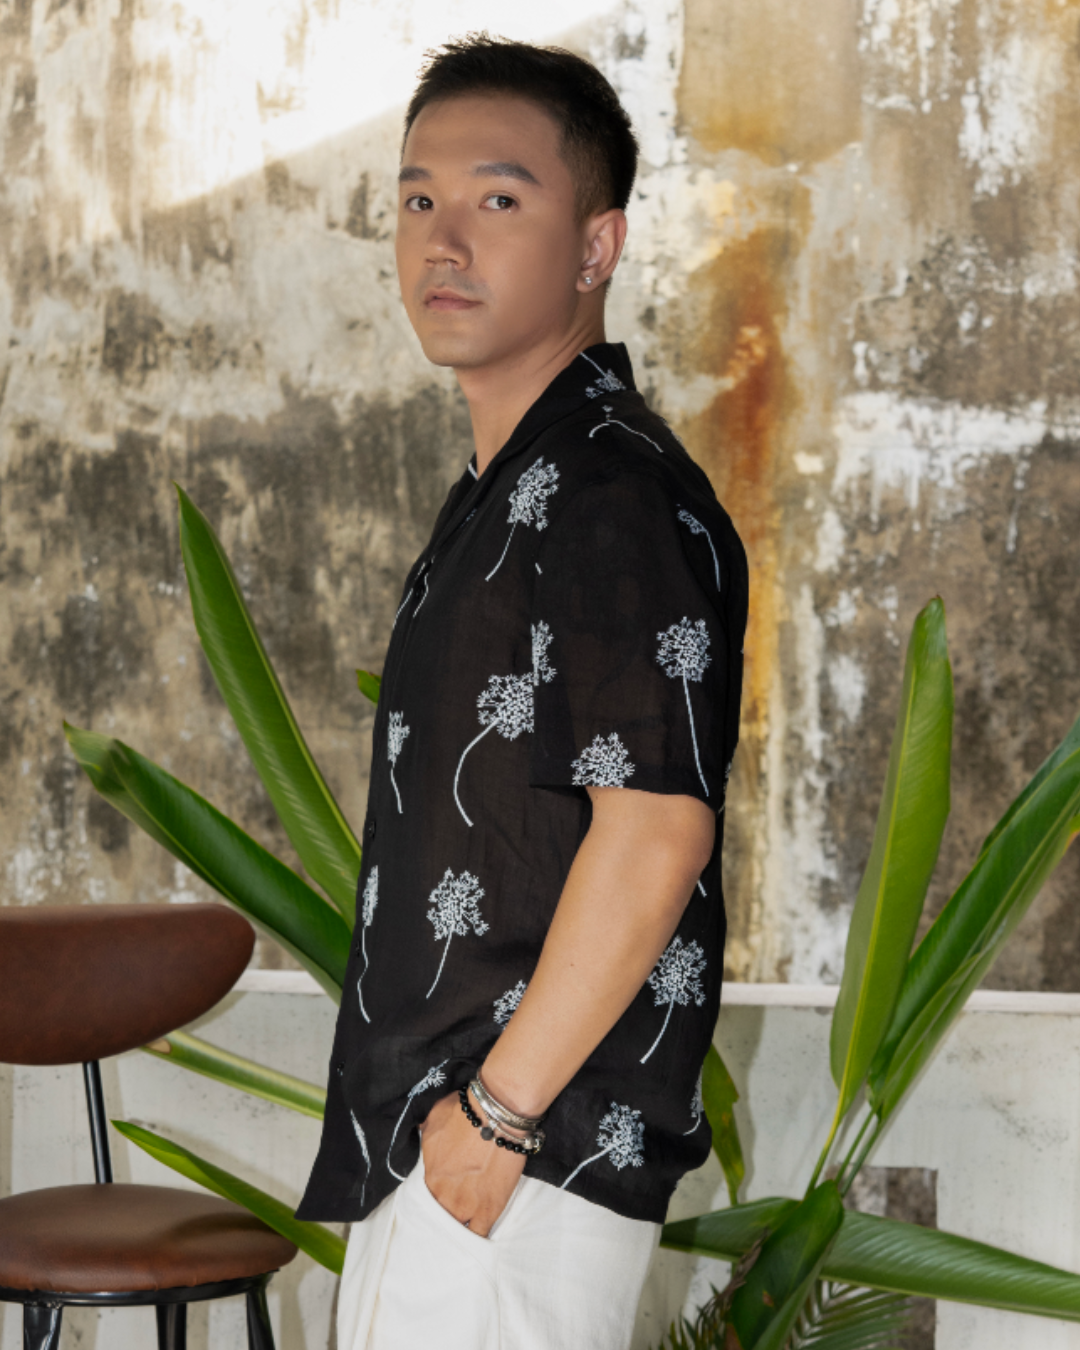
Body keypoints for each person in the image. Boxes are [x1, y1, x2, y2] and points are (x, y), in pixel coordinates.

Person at [296, 33, 749, 1350]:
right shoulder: (512, 492)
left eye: (500, 200)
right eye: (417, 197)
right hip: (463, 1141)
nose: (444, 241)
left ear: (598, 246)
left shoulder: (607, 496)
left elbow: (656, 825)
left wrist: (494, 1116)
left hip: (517, 1146)